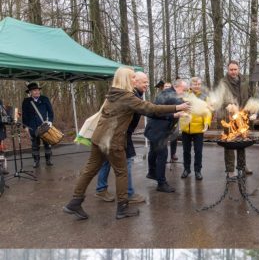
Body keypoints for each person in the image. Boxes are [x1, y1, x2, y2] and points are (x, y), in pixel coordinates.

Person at [64, 67, 188, 220]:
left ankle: (75, 202)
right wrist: (177, 107)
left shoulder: (113, 94)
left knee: (89, 170)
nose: (135, 80)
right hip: (112, 140)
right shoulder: (126, 97)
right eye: (133, 78)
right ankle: (122, 207)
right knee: (121, 172)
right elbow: (151, 108)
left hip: (99, 138)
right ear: (127, 79)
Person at [96, 71, 149, 205]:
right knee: (127, 163)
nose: (147, 85)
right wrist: (173, 111)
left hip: (115, 134)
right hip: (120, 135)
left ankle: (101, 189)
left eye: (147, 82)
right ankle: (128, 195)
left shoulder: (132, 94)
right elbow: (149, 109)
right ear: (134, 81)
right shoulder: (131, 96)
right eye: (144, 82)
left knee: (106, 161)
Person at [145, 78, 188, 193]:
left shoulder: (170, 94)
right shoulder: (168, 95)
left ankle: (152, 172)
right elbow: (156, 112)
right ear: (178, 87)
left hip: (156, 130)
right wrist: (174, 115)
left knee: (153, 152)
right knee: (162, 155)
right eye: (184, 90)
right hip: (158, 130)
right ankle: (161, 183)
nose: (185, 92)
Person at [220, 60, 253, 179]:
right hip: (229, 118)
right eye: (231, 69)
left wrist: (251, 108)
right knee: (229, 143)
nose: (233, 72)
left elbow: (249, 96)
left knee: (242, 142)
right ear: (228, 70)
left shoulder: (244, 80)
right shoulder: (223, 82)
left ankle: (242, 165)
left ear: (238, 69)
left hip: (242, 116)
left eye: (235, 69)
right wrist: (228, 105)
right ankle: (230, 170)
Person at [179, 76, 212, 181]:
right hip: (186, 128)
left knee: (198, 151)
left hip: (198, 129)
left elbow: (208, 112)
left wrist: (207, 122)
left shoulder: (204, 97)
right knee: (186, 151)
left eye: (198, 84)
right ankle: (186, 169)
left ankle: (198, 170)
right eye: (195, 84)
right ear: (190, 85)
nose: (197, 86)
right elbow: (179, 109)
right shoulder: (184, 95)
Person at [21, 82, 54, 168]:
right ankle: (36, 161)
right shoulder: (26, 101)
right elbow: (25, 115)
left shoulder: (45, 99)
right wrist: (25, 126)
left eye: (37, 90)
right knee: (35, 145)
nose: (36, 92)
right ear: (30, 92)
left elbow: (50, 112)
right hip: (32, 127)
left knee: (47, 144)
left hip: (44, 125)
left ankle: (48, 159)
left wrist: (50, 121)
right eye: (34, 91)